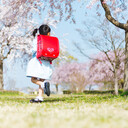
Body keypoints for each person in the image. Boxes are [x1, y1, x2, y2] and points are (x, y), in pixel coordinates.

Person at [26, 24, 53, 103]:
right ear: (48, 33)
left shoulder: (37, 39)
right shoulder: (50, 40)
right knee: (41, 80)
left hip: (38, 62)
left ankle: (43, 85)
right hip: (47, 63)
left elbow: (33, 50)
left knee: (33, 79)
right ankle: (40, 97)